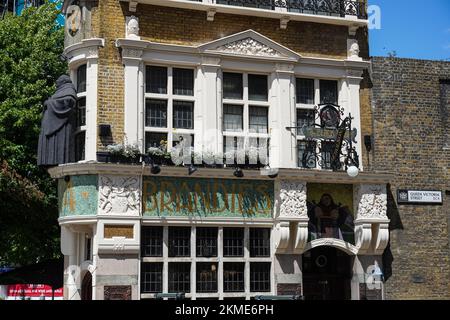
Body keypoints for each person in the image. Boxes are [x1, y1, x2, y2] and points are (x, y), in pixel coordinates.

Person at [37, 75, 77, 166]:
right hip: (53, 125)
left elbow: (69, 102)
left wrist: (49, 103)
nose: (56, 84)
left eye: (58, 81)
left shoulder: (69, 90)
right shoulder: (59, 91)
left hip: (63, 126)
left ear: (63, 82)